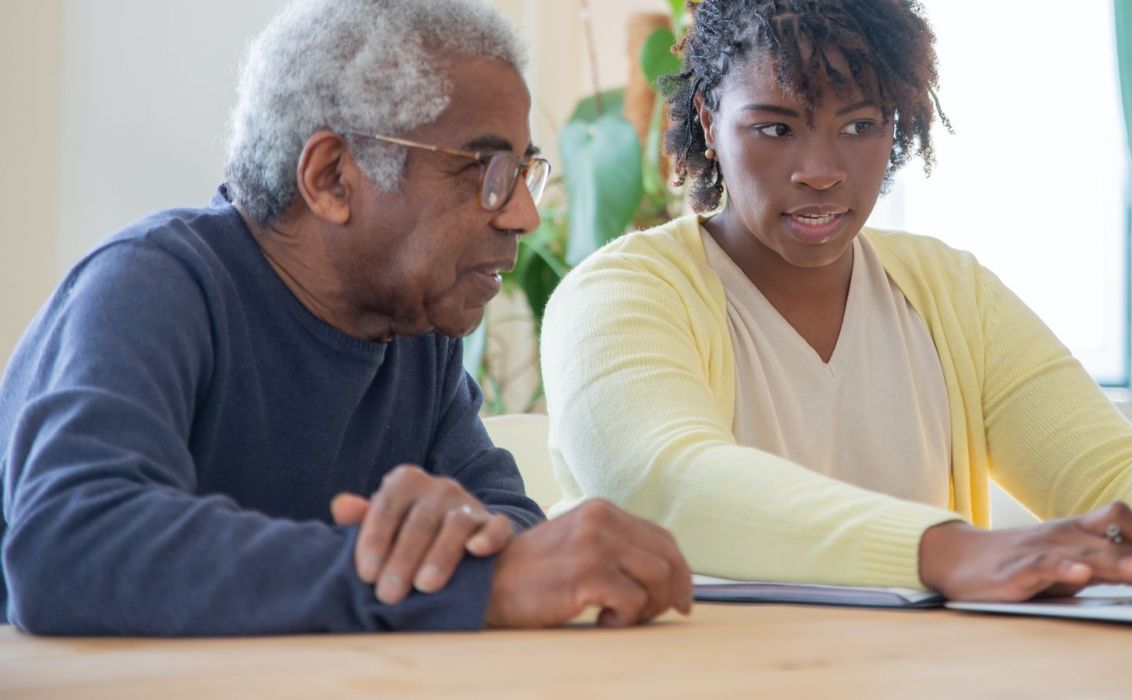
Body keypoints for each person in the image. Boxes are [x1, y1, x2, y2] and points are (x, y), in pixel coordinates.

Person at [539, 0, 1132, 604]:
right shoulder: (620, 295)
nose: (821, 171)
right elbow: (666, 482)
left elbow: (1102, 461)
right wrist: (947, 550)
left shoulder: (950, 291)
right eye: (774, 128)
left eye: (860, 126)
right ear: (708, 121)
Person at [0, 0, 691, 636]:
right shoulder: (154, 285)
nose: (523, 214)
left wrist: (458, 542)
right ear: (332, 176)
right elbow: (69, 543)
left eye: (524, 171)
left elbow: (505, 524)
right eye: (485, 170)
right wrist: (438, 583)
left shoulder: (414, 331)